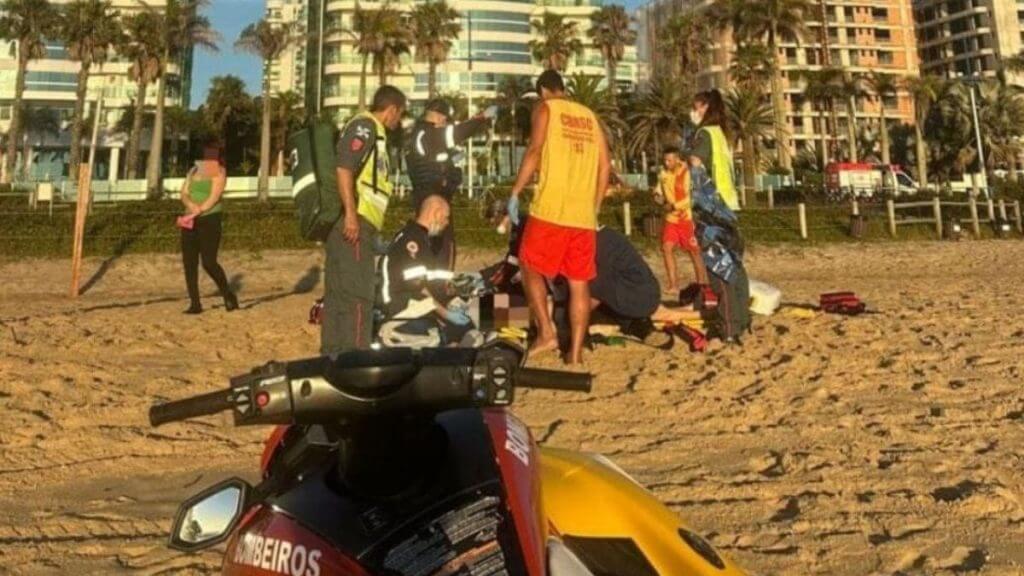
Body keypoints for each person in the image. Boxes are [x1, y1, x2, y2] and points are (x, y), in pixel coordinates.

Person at [507, 70, 611, 365]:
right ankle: (575, 354)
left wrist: (515, 191)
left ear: (542, 91)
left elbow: (535, 150)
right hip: (583, 215)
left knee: (528, 264)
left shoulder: (546, 109)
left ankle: (546, 332)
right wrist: (594, 206)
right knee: (579, 282)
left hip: (551, 209)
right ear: (563, 88)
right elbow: (605, 165)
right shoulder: (589, 116)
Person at [322, 85, 406, 356]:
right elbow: (344, 167)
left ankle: (333, 353)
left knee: (338, 293)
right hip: (355, 222)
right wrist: (351, 214)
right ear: (392, 109)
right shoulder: (366, 127)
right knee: (358, 294)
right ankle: (355, 355)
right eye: (400, 114)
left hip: (353, 223)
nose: (399, 121)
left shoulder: (373, 132)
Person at [405, 99, 497, 268]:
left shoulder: (421, 134)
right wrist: (482, 117)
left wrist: (450, 162)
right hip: (433, 197)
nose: (445, 122)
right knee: (442, 243)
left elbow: (433, 161)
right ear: (438, 116)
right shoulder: (427, 133)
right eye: (445, 118)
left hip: (428, 195)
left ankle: (431, 276)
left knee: (432, 240)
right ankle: (439, 280)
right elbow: (456, 133)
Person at [378, 195, 475, 347]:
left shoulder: (421, 239)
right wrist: (445, 313)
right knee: (454, 336)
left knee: (470, 326)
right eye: (446, 217)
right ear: (436, 213)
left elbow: (432, 285)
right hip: (404, 312)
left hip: (416, 310)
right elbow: (417, 288)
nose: (447, 223)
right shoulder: (412, 241)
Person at [178, 141, 237, 315]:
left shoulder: (219, 171)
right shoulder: (194, 170)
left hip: (209, 219)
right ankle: (195, 303)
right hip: (189, 219)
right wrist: (191, 206)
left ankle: (227, 293)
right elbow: (184, 193)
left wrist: (200, 209)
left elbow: (214, 196)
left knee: (209, 262)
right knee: (189, 262)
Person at [658, 147, 708, 294]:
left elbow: (691, 198)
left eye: (669, 160)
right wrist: (657, 196)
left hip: (686, 218)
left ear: (677, 159)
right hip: (671, 219)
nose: (666, 163)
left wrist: (674, 206)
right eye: (665, 160)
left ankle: (702, 284)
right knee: (666, 248)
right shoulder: (663, 173)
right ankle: (673, 285)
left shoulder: (687, 173)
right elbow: (659, 190)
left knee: (694, 252)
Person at [688, 89, 740, 211]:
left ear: (706, 108)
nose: (693, 113)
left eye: (696, 108)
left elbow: (695, 161)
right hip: (728, 199)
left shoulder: (705, 133)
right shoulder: (721, 132)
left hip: (711, 200)